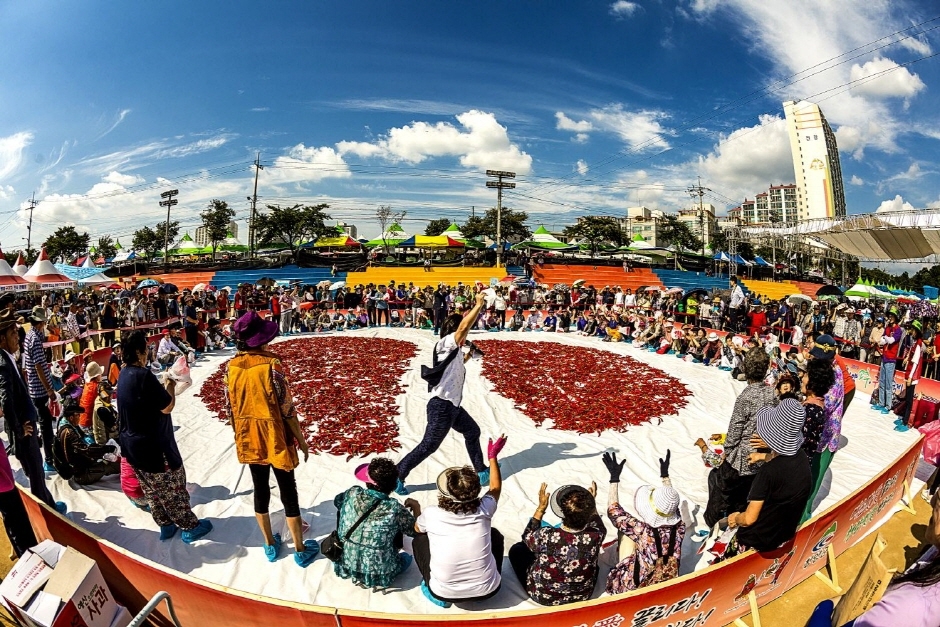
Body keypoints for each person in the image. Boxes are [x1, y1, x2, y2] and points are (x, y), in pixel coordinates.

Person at [225, 311, 319, 567]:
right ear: (261, 340)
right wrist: (301, 439)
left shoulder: (230, 367)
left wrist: (240, 434)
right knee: (288, 489)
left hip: (249, 434)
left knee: (260, 488)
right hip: (274, 433)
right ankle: (300, 549)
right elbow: (287, 408)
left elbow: (230, 408)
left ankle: (269, 543)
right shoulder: (272, 366)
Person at [117, 330, 212, 543]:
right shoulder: (143, 375)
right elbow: (167, 406)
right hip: (152, 445)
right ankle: (189, 526)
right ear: (140, 353)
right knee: (172, 486)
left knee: (152, 489)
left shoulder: (124, 373)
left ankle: (166, 525)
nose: (149, 352)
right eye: (147, 349)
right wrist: (170, 381)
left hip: (132, 447)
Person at [396, 292, 488, 494]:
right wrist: (478, 305)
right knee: (429, 445)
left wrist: (469, 357)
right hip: (441, 406)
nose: (466, 336)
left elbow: (452, 369)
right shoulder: (446, 342)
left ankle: (481, 470)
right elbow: (463, 327)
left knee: (472, 431)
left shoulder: (453, 351)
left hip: (452, 406)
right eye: (463, 332)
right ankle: (398, 474)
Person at [807, 489, 940, 626]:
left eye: (939, 499)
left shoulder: (910, 606)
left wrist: (823, 607)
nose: (932, 501)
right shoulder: (934, 557)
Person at [412, 436, 507, 608]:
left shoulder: (432, 513)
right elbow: (495, 488)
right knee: (495, 535)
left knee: (419, 540)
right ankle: (478, 594)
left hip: (443, 591)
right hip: (489, 590)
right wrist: (492, 457)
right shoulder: (484, 509)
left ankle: (436, 594)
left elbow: (417, 528)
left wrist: (416, 509)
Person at [728, 396, 811, 555]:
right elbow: (784, 468)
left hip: (760, 542)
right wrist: (763, 456)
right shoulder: (802, 458)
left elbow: (749, 518)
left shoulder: (768, 473)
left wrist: (736, 518)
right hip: (784, 536)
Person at [0, 313, 65, 513]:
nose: (17, 337)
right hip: (24, 431)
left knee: (34, 472)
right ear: (1, 338)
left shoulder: (8, 358)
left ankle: (47, 506)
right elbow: (5, 398)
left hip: (24, 428)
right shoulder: (3, 362)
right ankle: (48, 511)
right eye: (13, 333)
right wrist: (19, 429)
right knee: (36, 474)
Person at [703, 348, 775, 528]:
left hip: (742, 460)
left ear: (746, 368)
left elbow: (735, 431)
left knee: (721, 488)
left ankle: (716, 524)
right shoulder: (772, 394)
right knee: (748, 495)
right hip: (763, 455)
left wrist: (727, 452)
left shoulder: (745, 397)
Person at [508, 481, 606, 606]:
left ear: (561, 511)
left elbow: (526, 536)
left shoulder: (546, 535)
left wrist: (540, 508)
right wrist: (591, 506)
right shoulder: (597, 534)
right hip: (582, 595)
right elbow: (596, 521)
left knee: (517, 549)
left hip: (544, 596)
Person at [602, 450, 685, 594]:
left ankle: (616, 561)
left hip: (638, 586)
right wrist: (665, 477)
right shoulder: (680, 528)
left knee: (624, 532)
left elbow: (613, 511)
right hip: (668, 581)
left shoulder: (643, 531)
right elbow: (670, 507)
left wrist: (614, 479)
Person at [333, 458, 419, 588]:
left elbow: (337, 502)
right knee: (406, 558)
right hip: (380, 572)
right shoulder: (395, 509)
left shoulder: (352, 493)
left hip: (346, 562)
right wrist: (416, 508)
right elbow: (416, 531)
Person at [801, 334, 844, 523]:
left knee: (811, 480)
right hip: (814, 435)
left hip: (824, 438)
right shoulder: (824, 370)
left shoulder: (834, 377)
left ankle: (801, 518)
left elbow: (822, 406)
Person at [21, 306, 57, 470]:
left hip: (35, 388)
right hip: (40, 390)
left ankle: (49, 456)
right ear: (41, 322)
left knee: (44, 423)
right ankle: (49, 459)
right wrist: (49, 390)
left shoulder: (31, 335)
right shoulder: (35, 339)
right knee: (46, 425)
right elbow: (38, 367)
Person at [56, 401, 119, 485]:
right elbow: (87, 451)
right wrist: (107, 449)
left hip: (79, 467)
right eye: (78, 415)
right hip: (82, 475)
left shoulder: (64, 424)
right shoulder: (70, 433)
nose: (79, 417)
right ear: (71, 417)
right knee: (113, 465)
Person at [896, 320, 925, 432]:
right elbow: (912, 357)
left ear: (916, 331)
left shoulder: (918, 344)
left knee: (909, 399)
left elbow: (916, 362)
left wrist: (910, 377)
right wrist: (907, 358)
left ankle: (906, 422)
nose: (911, 331)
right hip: (909, 373)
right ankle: (904, 418)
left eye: (912, 330)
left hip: (912, 375)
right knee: (907, 398)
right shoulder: (915, 342)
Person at [874, 307, 903, 414]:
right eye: (889, 315)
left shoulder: (898, 330)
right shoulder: (887, 328)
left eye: (892, 316)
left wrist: (885, 338)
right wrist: (884, 338)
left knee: (888, 383)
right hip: (884, 357)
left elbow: (890, 341)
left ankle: (888, 405)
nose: (890, 318)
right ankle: (881, 403)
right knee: (881, 381)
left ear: (896, 317)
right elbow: (881, 341)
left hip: (891, 359)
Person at [79, 361, 103, 429]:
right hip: (89, 424)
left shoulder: (87, 385)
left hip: (82, 421)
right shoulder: (97, 387)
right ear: (97, 375)